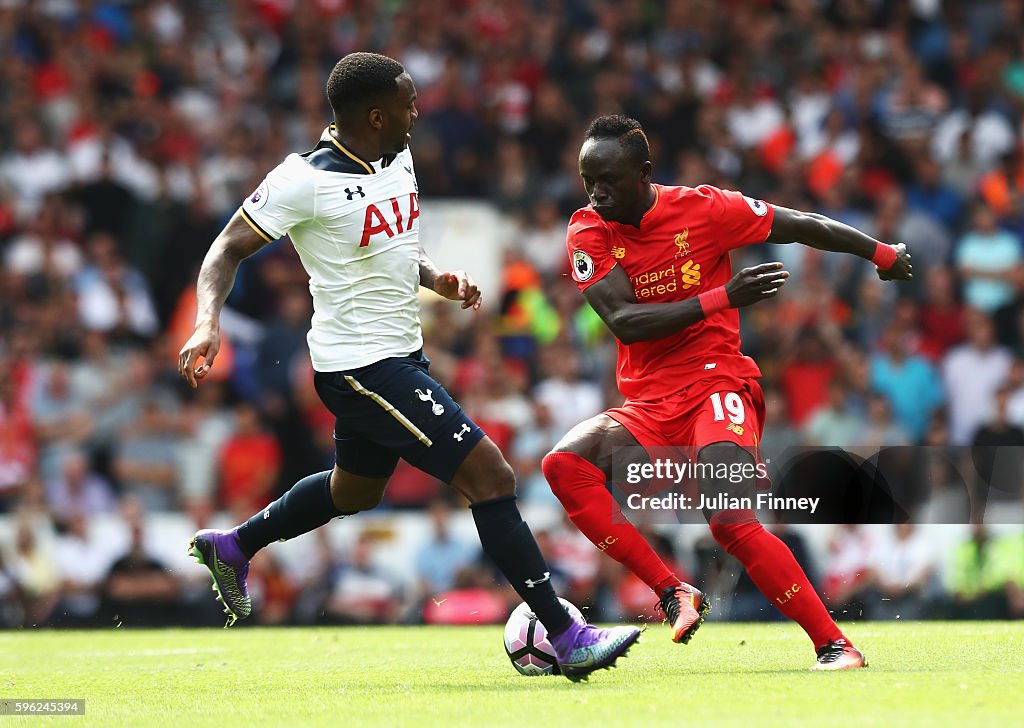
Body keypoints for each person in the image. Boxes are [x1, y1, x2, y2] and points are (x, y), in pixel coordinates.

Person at [177, 53, 639, 681]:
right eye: (408, 104)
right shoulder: (302, 181)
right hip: (361, 366)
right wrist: (208, 322)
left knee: (354, 490)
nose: (417, 113)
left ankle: (233, 546)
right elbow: (226, 246)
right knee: (491, 476)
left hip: (399, 354)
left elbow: (392, 240)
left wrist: (435, 277)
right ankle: (566, 634)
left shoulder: (397, 157)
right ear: (375, 114)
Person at [541, 115, 912, 671]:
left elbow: (799, 224)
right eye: (587, 178)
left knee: (728, 519)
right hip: (648, 402)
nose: (596, 191)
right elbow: (624, 320)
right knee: (563, 466)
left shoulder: (705, 209)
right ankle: (673, 592)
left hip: (718, 381)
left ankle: (835, 644)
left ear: (643, 172)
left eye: (609, 179)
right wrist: (722, 297)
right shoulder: (588, 230)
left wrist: (880, 253)